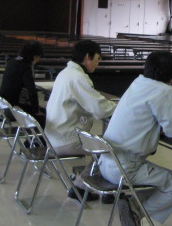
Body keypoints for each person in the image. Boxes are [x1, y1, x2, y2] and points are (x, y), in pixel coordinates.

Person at [99, 51, 172, 226]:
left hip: (105, 162)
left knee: (161, 182)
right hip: (126, 168)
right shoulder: (164, 91)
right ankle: (136, 212)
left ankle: (133, 206)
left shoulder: (138, 83)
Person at [44, 40, 117, 201]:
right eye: (97, 58)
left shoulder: (66, 73)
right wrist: (120, 108)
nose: (98, 63)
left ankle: (82, 185)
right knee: (111, 148)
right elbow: (100, 109)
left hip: (54, 136)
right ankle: (86, 188)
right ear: (87, 57)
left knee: (104, 145)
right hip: (65, 140)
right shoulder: (78, 77)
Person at [0, 40, 46, 125]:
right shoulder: (26, 67)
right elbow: (32, 92)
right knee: (47, 116)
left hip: (3, 106)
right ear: (35, 56)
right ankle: (35, 134)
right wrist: (36, 111)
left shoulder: (12, 62)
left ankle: (31, 134)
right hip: (16, 108)